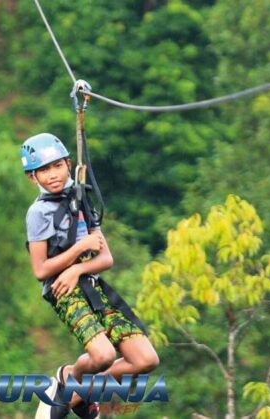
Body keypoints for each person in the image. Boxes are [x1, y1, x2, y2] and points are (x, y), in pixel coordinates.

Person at [21, 133, 160, 419]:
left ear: (69, 165)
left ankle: (77, 387)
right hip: (64, 291)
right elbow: (40, 270)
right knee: (103, 356)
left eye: (57, 166)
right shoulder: (38, 213)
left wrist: (78, 268)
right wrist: (81, 249)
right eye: (43, 170)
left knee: (146, 360)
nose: (53, 175)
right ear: (32, 178)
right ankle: (68, 376)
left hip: (93, 286)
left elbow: (106, 258)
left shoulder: (80, 199)